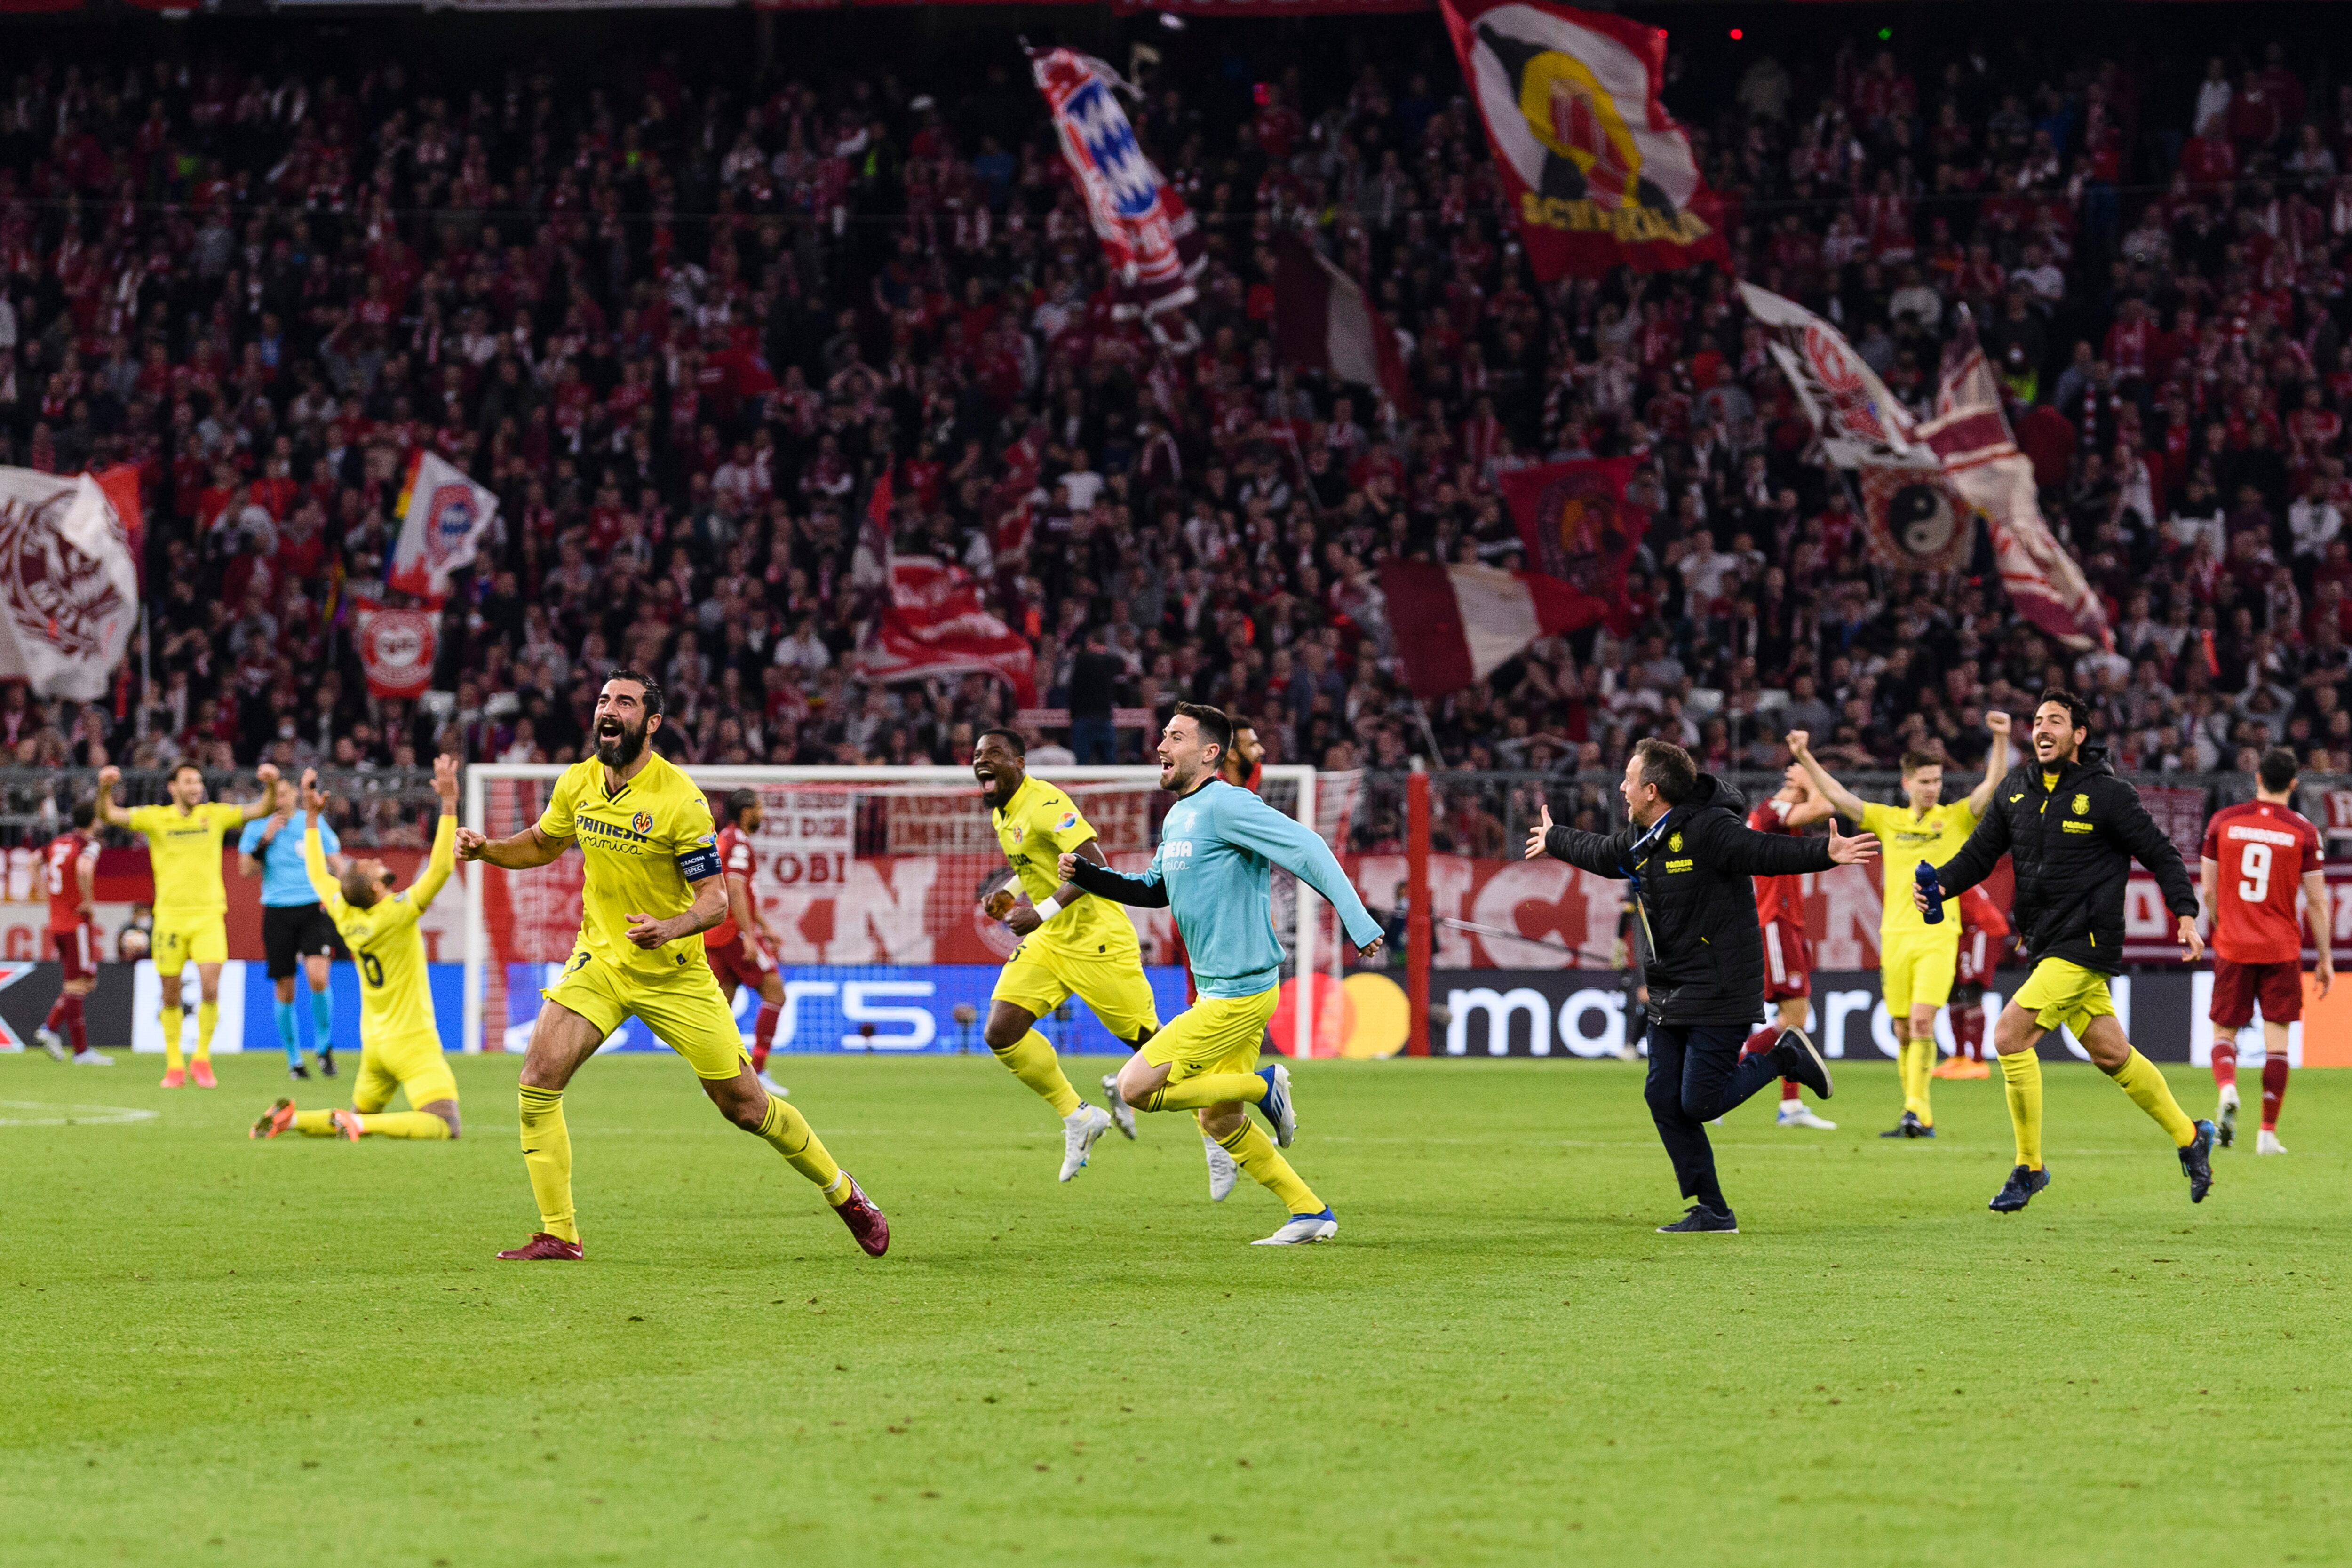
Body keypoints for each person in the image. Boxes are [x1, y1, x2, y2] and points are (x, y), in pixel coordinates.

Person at [456, 671, 887, 1261]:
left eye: (626, 703)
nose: (610, 710)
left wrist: (670, 929)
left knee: (745, 1106)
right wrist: (488, 851)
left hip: (675, 975)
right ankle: (560, 1233)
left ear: (651, 723)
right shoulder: (578, 782)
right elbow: (542, 843)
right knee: (537, 1079)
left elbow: (715, 899)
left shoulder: (680, 801)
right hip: (601, 963)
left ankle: (845, 1194)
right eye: (605, 700)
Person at [1062, 703, 1383, 1244]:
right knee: (1218, 1121)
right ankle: (1309, 1212)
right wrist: (1092, 877)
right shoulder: (1179, 815)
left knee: (1136, 1088)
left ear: (1210, 752)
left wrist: (1356, 919)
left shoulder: (1229, 804)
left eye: (1176, 737)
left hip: (1238, 993)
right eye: (1163, 735)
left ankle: (1265, 1084)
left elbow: (1308, 846)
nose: (1161, 746)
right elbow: (1154, 890)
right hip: (1221, 988)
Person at [1527, 738, 1878, 1233]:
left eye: (1629, 780)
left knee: (1700, 1102)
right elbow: (1607, 856)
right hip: (1671, 986)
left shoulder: (1710, 828)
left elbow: (1762, 852)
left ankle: (1784, 1055)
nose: (1622, 788)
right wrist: (1555, 837)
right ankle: (1711, 1209)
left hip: (1719, 985)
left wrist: (1825, 851)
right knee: (1662, 1097)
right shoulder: (1644, 836)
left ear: (1651, 790)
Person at [1923, 689, 2215, 1213]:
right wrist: (1939, 886)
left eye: (2054, 721)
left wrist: (2185, 913)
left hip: (2086, 943)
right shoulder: (2015, 789)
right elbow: (1978, 856)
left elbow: (2161, 854)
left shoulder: (2107, 795)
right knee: (2110, 1055)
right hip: (2043, 942)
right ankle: (2190, 1135)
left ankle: (2028, 1167)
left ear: (2078, 735)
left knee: (2009, 1036)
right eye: (2036, 721)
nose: (2041, 729)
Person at [1791, 712, 2011, 1138]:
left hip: (1938, 936)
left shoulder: (1956, 818)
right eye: (1925, 781)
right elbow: (1838, 795)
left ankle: (1918, 1111)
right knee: (1903, 1029)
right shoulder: (1889, 820)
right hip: (1894, 938)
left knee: (1923, 1021)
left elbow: (1992, 786)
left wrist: (2001, 739)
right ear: (1908, 783)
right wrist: (1804, 754)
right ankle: (1912, 1110)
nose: (1933, 788)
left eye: (1937, 780)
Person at [971, 727, 1169, 1184]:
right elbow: (1034, 865)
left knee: (1151, 1049)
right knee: (1002, 1032)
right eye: (978, 754)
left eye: (995, 753)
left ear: (1020, 762)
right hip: (1052, 941)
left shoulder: (1044, 804)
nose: (983, 761)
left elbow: (1093, 863)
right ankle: (1079, 1116)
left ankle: (1230, 1109)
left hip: (1096, 940)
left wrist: (1039, 913)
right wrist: (1008, 892)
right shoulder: (1003, 812)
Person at [250, 760, 464, 1143]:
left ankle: (293, 1119)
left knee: (352, 1114)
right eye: (372, 866)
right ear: (378, 889)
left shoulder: (345, 912)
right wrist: (448, 805)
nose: (378, 861)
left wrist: (312, 818)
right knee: (445, 1124)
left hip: (375, 1044)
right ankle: (362, 1125)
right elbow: (442, 867)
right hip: (412, 1041)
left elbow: (317, 873)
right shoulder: (397, 913)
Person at [95, 760, 281, 1088]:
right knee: (170, 994)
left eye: (199, 781)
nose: (196, 787)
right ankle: (174, 1065)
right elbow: (110, 814)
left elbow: (262, 808)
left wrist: (270, 784)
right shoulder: (155, 818)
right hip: (169, 919)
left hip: (209, 916)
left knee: (210, 987)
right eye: (189, 781)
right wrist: (105, 788)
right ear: (173, 787)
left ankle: (202, 1058)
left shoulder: (216, 814)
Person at [2198, 747, 2332, 1154]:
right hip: (2280, 948)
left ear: (2257, 778)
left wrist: (2228, 928)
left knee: (2225, 1033)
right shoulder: (2304, 831)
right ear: (2293, 783)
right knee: (2278, 1044)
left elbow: (2207, 889)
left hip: (2234, 946)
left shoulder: (2224, 822)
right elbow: (2317, 902)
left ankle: (2227, 1088)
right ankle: (2267, 1133)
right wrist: (2325, 958)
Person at [1736, 763, 1838, 1130]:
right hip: (1775, 923)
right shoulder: (1771, 811)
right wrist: (1812, 776)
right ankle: (1724, 1078)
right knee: (1792, 1018)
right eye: (1803, 784)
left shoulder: (1777, 814)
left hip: (1786, 923)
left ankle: (1790, 1104)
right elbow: (1827, 806)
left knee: (1795, 1019)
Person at [238, 775, 349, 1081]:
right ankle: (294, 1060)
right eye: (275, 796)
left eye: (285, 794)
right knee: (285, 988)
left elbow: (336, 860)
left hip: (314, 907)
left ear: (293, 797)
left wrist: (348, 887)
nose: (280, 800)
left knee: (318, 976)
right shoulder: (257, 826)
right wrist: (266, 839)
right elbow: (245, 870)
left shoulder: (311, 822)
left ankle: (324, 1047)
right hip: (277, 911)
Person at [704, 788, 790, 1100]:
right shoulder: (738, 841)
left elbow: (743, 891)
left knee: (720, 1005)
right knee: (775, 992)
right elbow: (737, 889)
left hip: (717, 931)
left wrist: (765, 927)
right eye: (760, 807)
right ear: (746, 810)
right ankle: (759, 1071)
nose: (763, 813)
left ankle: (716, 1076)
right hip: (733, 931)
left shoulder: (724, 837)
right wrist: (750, 935)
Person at [34, 801, 111, 1066]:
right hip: (77, 922)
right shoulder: (89, 844)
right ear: (95, 821)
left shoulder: (60, 841)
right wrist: (89, 901)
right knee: (81, 983)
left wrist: (44, 893)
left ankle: (57, 1033)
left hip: (57, 922)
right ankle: (74, 1046)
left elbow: (35, 860)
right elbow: (84, 869)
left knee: (84, 982)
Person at [1931, 885, 2011, 1080]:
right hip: (1962, 932)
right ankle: (1959, 1057)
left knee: (1972, 990)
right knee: (1953, 989)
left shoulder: (1944, 877)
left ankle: (1977, 1061)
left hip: (1982, 929)